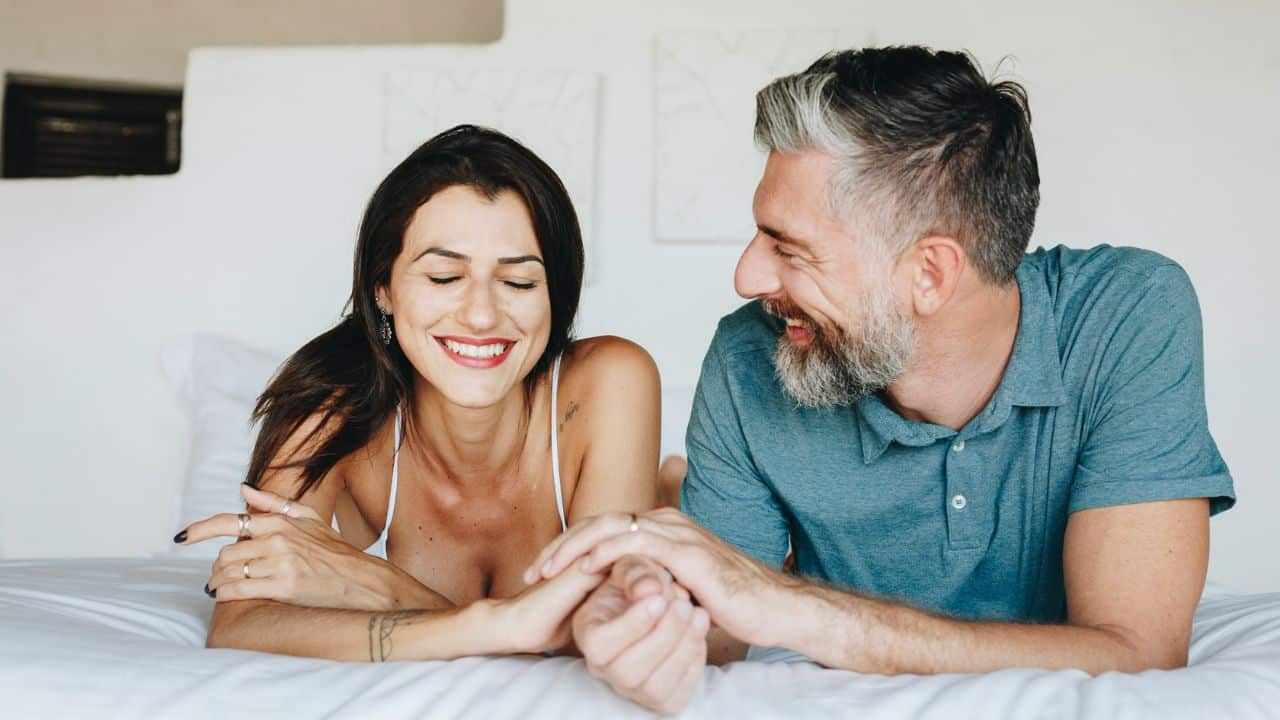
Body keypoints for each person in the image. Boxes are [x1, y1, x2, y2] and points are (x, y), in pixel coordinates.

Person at [530, 46, 1236, 713]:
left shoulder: (1129, 314)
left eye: (790, 248)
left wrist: (799, 608)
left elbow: (1138, 653)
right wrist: (647, 614)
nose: (747, 277)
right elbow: (715, 632)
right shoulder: (750, 361)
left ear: (928, 274)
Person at [173, 125, 708, 669]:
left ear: (555, 297)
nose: (480, 315)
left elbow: (603, 630)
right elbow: (241, 623)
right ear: (383, 288)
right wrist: (488, 623)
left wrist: (378, 584)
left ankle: (668, 486)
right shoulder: (325, 403)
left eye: (519, 284)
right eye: (445, 276)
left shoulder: (610, 379)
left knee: (679, 525)